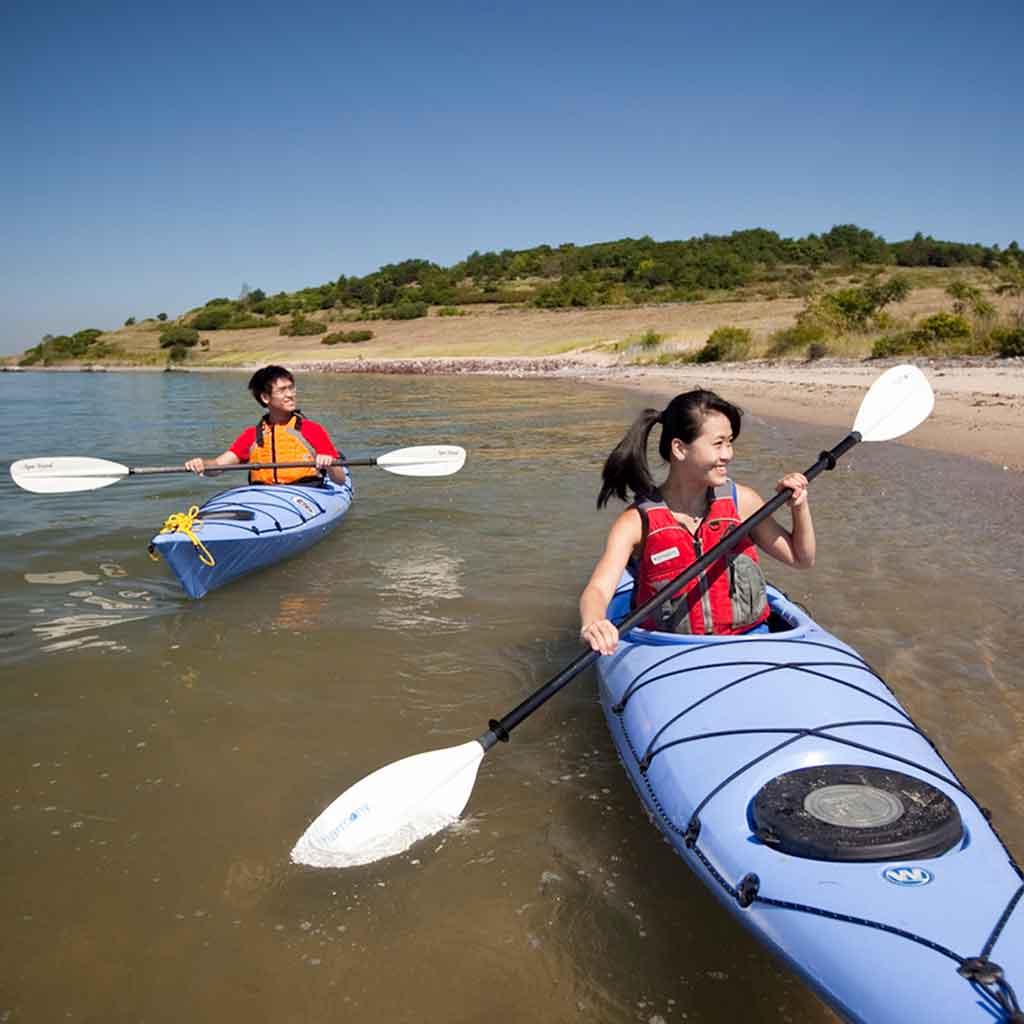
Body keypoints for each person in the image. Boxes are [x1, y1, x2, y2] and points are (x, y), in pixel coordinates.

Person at [579, 389, 815, 655]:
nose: (728, 454)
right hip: (669, 649)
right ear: (680, 448)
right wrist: (594, 623)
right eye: (718, 444)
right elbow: (598, 590)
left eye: (730, 442)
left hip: (751, 640)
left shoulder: (743, 503)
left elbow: (801, 559)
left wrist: (799, 507)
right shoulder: (635, 522)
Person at [185, 365, 347, 486]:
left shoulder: (311, 429)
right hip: (264, 494)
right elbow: (219, 466)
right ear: (265, 397)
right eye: (283, 390)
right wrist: (203, 464)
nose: (290, 395)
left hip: (305, 491)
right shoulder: (252, 435)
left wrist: (331, 463)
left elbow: (339, 480)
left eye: (291, 388)